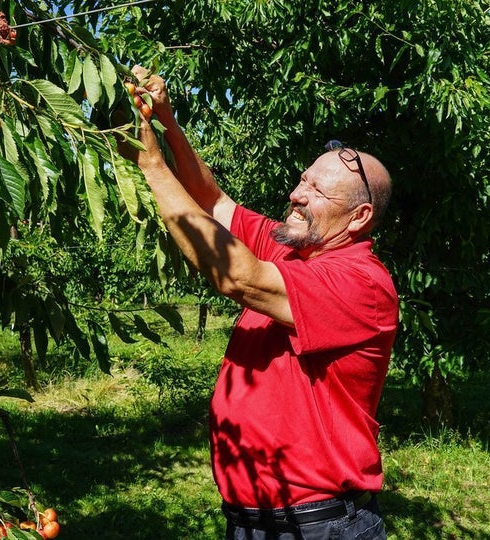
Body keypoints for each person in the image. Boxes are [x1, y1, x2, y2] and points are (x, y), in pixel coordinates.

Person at [121, 65, 398, 540]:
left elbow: (238, 277)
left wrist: (152, 165)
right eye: (302, 181)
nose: (295, 194)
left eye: (315, 190)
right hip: (253, 520)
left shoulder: (362, 285)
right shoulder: (293, 249)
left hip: (319, 526)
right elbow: (211, 202)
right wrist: (165, 120)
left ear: (359, 216)